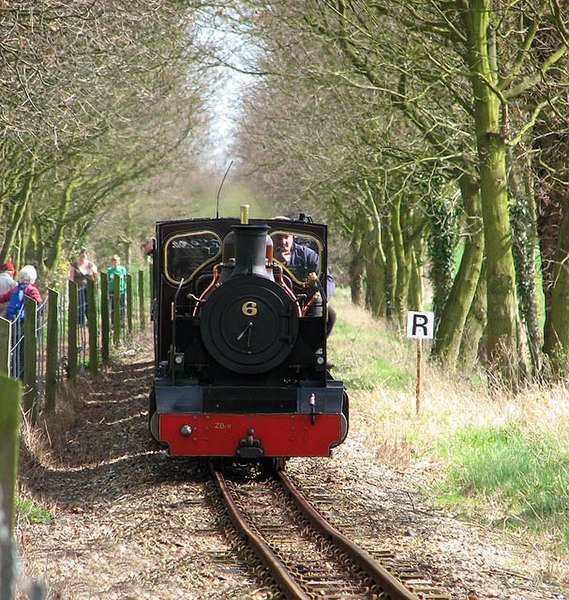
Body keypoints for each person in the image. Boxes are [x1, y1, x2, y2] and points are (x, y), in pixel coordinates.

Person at [271, 230, 337, 337]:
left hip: (302, 300)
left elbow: (328, 279)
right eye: (278, 238)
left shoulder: (307, 255)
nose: (283, 242)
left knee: (330, 314)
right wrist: (277, 261)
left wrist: (319, 298)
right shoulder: (261, 253)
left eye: (286, 237)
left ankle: (314, 348)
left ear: (293, 237)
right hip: (270, 297)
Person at [0, 265, 42, 379]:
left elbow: (3, 297)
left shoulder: (15, 289)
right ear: (33, 278)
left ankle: (14, 373)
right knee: (25, 351)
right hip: (25, 324)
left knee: (15, 350)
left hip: (13, 323)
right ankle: (23, 376)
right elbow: (37, 301)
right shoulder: (31, 290)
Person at [69, 249, 99, 325]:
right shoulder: (75, 266)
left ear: (86, 257)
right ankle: (80, 322)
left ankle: (90, 320)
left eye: (84, 256)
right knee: (80, 304)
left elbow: (96, 276)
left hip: (89, 288)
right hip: (78, 288)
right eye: (81, 256)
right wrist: (71, 288)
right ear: (79, 256)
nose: (82, 258)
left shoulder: (91, 265)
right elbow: (71, 278)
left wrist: (96, 285)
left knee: (89, 304)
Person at [107, 254, 128, 326]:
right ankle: (113, 323)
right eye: (113, 261)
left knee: (122, 306)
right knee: (113, 307)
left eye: (116, 261)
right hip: (112, 290)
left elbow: (125, 279)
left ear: (119, 261)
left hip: (121, 290)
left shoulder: (122, 269)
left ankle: (122, 322)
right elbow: (108, 280)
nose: (115, 263)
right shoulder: (109, 270)